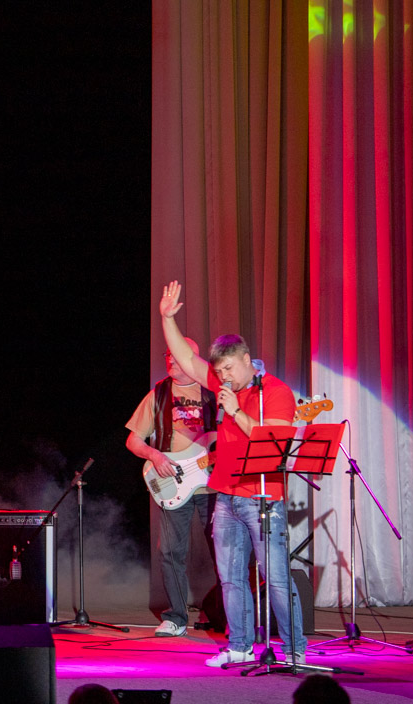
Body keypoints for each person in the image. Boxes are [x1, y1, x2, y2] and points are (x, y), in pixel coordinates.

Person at [159, 281, 306, 668]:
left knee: (276, 577)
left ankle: (294, 649)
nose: (223, 377)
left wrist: (236, 411)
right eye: (218, 371)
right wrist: (167, 319)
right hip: (226, 496)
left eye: (228, 369)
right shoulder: (222, 382)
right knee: (231, 578)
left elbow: (274, 441)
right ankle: (240, 645)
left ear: (246, 359)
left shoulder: (276, 392)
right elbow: (186, 358)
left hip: (263, 498)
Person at [125, 337, 218, 637]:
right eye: (168, 354)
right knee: (170, 552)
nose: (170, 359)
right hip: (173, 484)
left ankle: (229, 617)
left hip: (212, 484)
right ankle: (176, 618)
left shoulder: (214, 391)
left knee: (225, 551)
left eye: (176, 354)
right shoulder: (159, 394)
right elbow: (133, 440)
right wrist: (155, 455)